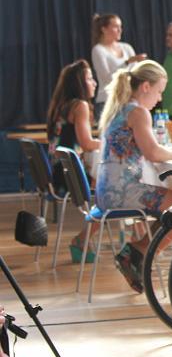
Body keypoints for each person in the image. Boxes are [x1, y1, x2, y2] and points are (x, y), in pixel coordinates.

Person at [96, 61, 172, 293]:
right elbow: (153, 153)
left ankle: (137, 252)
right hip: (122, 192)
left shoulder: (120, 109)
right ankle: (142, 253)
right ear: (145, 87)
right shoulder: (138, 112)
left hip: (107, 191)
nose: (159, 99)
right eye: (159, 91)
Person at [46, 59, 103, 262]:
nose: (94, 83)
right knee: (113, 189)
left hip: (59, 172)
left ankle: (85, 238)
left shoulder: (61, 105)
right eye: (89, 78)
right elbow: (87, 144)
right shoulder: (80, 106)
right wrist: (109, 142)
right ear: (78, 83)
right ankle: (82, 238)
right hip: (70, 173)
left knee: (110, 185)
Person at [91, 14, 146, 116]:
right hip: (107, 101)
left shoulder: (127, 47)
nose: (120, 30)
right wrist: (126, 63)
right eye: (116, 27)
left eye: (120, 27)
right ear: (104, 29)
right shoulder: (98, 50)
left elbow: (135, 74)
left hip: (128, 100)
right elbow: (107, 78)